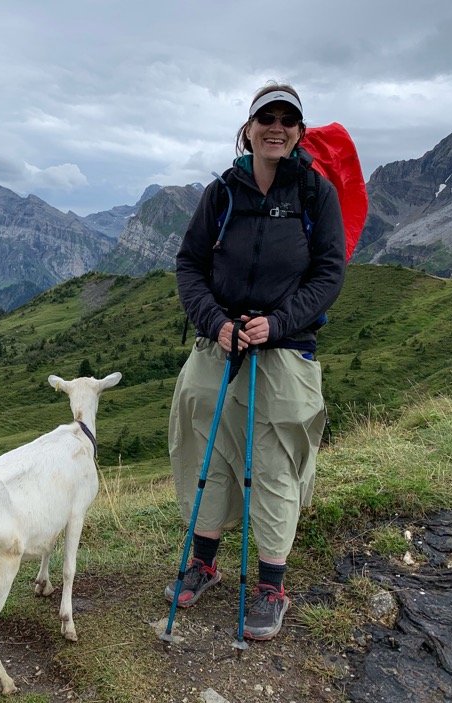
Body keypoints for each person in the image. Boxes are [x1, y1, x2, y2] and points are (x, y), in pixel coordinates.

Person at [166, 82, 346, 641]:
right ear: (247, 129)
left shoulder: (315, 194)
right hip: (221, 340)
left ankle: (271, 587)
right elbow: (190, 265)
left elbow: (329, 272)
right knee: (205, 440)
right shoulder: (222, 192)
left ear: (299, 132)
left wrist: (280, 322)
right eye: (266, 117)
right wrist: (215, 323)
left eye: (287, 120)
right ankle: (203, 562)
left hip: (285, 346)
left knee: (274, 458)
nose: (276, 127)